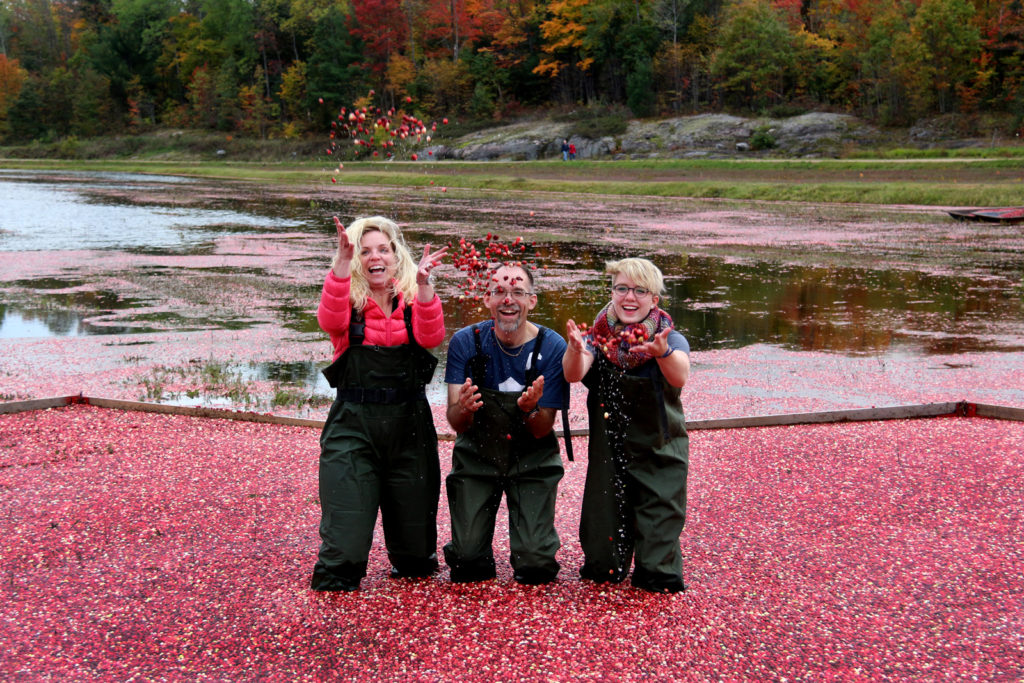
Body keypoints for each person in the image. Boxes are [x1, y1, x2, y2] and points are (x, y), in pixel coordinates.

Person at [310, 215, 448, 592]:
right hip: (353, 429)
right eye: (366, 251)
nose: (376, 257)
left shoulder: (410, 302)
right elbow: (328, 317)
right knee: (342, 560)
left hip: (411, 430)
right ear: (357, 260)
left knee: (416, 558)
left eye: (383, 249)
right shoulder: (348, 305)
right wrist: (339, 264)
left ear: (395, 256)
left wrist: (423, 286)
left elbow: (432, 336)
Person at [562, 257, 691, 593]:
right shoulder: (597, 337)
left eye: (639, 290)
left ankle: (655, 567)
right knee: (601, 564)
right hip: (609, 453)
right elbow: (573, 373)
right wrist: (575, 349)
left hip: (660, 451)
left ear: (654, 299)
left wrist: (662, 354)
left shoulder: (667, 337)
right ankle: (608, 565)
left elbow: (680, 375)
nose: (629, 297)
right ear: (612, 292)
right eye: (622, 288)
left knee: (657, 575)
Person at [444, 263, 569, 585]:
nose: (508, 299)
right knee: (467, 562)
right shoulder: (465, 342)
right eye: (499, 291)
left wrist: (529, 410)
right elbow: (456, 423)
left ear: (532, 301)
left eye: (517, 292)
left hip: (533, 460)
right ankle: (468, 547)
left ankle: (533, 549)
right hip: (477, 458)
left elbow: (542, 428)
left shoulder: (553, 347)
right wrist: (465, 408)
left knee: (535, 564)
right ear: (487, 299)